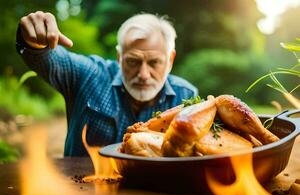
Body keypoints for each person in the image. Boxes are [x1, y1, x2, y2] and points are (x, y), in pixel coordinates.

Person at [16, 11, 198, 156]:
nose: (143, 74)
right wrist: (34, 42)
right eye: (133, 61)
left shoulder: (186, 97)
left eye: (154, 62)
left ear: (170, 59)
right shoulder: (89, 75)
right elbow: (50, 59)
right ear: (119, 57)